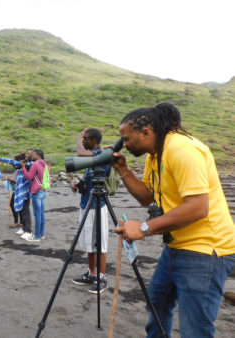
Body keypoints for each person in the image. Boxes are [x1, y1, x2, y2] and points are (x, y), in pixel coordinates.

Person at [113, 103, 235, 337]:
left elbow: (198, 208)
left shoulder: (182, 150)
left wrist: (144, 227)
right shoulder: (155, 155)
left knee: (195, 329)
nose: (124, 145)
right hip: (177, 245)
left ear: (146, 132)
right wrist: (123, 169)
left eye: (127, 139)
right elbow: (147, 196)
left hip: (206, 249)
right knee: (157, 304)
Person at [71, 128, 111, 294]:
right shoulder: (92, 159)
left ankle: (102, 277)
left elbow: (80, 153)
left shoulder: (102, 154)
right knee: (89, 241)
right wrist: (80, 185)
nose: (84, 142)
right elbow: (91, 179)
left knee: (100, 241)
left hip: (98, 204)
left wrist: (79, 134)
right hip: (86, 202)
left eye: (86, 139)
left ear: (94, 140)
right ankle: (91, 273)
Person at [0, 149, 34, 239]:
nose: (27, 155)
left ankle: (28, 231)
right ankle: (24, 228)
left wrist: (0, 159)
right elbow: (13, 162)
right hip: (19, 190)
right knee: (22, 209)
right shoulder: (24, 164)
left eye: (29, 154)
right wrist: (1, 159)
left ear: (34, 156)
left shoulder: (31, 164)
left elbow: (27, 175)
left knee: (26, 210)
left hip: (25, 191)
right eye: (27, 153)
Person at [21, 149, 48, 242]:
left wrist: (23, 168)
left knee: (37, 214)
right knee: (41, 214)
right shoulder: (45, 164)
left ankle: (36, 236)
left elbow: (29, 177)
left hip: (36, 191)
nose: (32, 156)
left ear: (38, 155)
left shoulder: (35, 164)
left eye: (34, 155)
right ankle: (41, 234)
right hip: (43, 190)